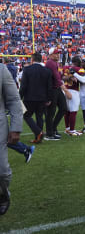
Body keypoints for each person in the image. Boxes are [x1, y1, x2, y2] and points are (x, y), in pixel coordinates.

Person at [0, 63, 23, 215]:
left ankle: (2, 194)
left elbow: (14, 100)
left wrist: (16, 127)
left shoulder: (1, 69)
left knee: (2, 170)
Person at [20, 52, 53, 143]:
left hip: (29, 98)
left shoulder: (27, 70)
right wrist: (49, 98)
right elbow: (49, 86)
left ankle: (38, 133)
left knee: (26, 115)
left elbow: (23, 86)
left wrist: (19, 97)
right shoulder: (47, 71)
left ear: (32, 59)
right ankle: (38, 137)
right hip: (42, 98)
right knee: (39, 116)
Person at [45, 47, 68, 140]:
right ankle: (49, 133)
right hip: (52, 89)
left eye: (58, 53)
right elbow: (56, 78)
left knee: (63, 108)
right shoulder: (50, 63)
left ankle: (52, 129)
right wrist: (66, 90)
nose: (58, 55)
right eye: (56, 53)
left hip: (56, 88)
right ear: (50, 55)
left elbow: (59, 76)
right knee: (51, 112)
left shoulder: (55, 63)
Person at [62, 56, 85, 136]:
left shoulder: (66, 67)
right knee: (73, 111)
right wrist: (72, 77)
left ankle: (67, 129)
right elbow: (83, 78)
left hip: (65, 90)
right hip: (73, 91)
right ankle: (72, 130)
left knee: (67, 111)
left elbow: (63, 77)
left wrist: (69, 77)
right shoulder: (79, 69)